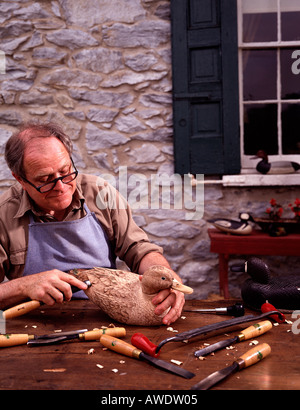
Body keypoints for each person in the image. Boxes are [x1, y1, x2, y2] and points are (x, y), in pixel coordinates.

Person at [0, 122, 185, 325]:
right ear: (20, 179)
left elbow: (139, 249)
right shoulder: (4, 213)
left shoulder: (99, 193)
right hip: (32, 324)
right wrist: (23, 286)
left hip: (107, 321)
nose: (61, 186)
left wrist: (166, 280)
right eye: (46, 179)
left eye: (65, 171)